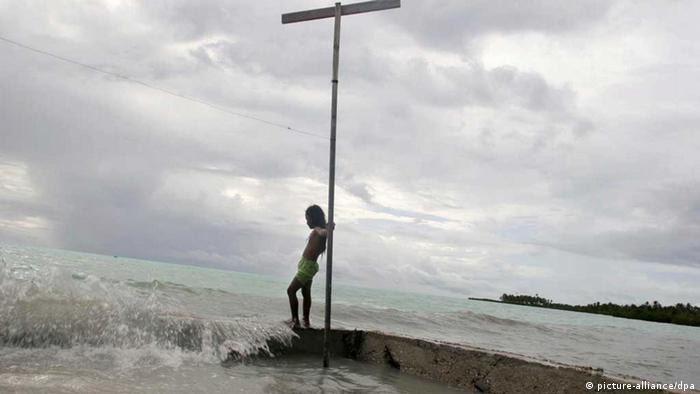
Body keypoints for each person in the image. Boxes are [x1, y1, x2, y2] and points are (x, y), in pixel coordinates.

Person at [287, 205, 327, 329]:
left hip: (307, 267)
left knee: (291, 291)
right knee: (305, 292)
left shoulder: (317, 230)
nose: (306, 222)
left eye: (307, 218)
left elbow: (323, 233)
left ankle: (295, 320)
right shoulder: (316, 230)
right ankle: (306, 320)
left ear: (313, 218)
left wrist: (329, 228)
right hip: (307, 265)